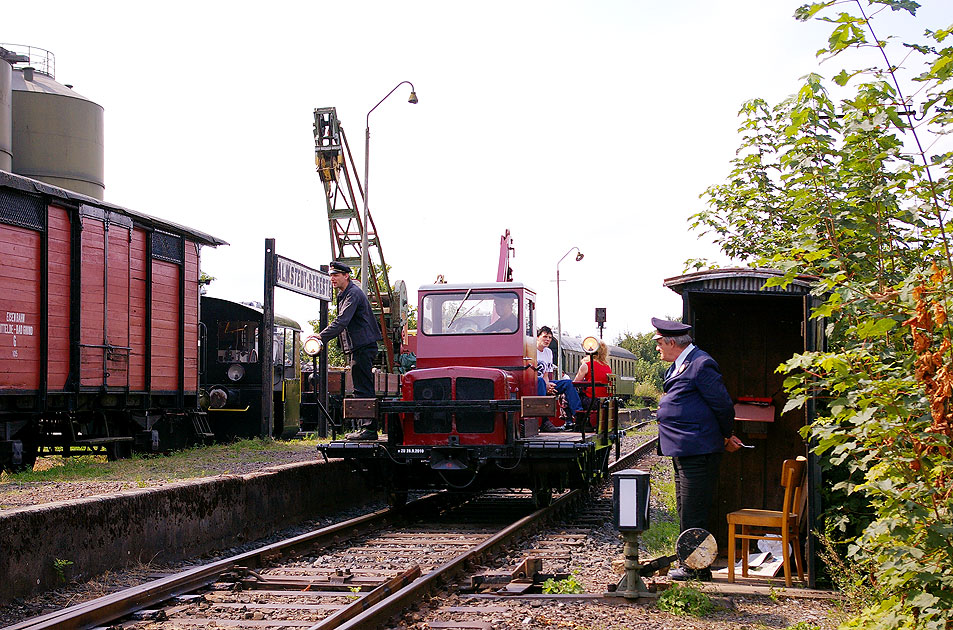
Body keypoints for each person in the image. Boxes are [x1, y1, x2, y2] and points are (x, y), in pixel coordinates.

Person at [652, 317, 742, 581]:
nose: (657, 348)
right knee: (684, 507)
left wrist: (726, 436)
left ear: (671, 342)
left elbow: (723, 405)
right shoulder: (680, 365)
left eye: (658, 343)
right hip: (684, 449)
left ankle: (697, 568)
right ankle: (689, 562)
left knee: (694, 509)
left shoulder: (701, 364)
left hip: (698, 449)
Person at [316, 261, 383, 440]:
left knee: (363, 387)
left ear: (346, 276)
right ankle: (365, 429)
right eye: (331, 275)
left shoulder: (352, 294)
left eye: (336, 275)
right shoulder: (346, 294)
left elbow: (342, 321)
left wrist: (320, 337)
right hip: (359, 346)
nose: (332, 278)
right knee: (361, 387)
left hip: (363, 346)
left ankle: (368, 430)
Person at [535, 326, 584, 431]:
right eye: (545, 337)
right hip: (533, 383)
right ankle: (543, 420)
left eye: (550, 337)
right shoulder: (530, 350)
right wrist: (545, 384)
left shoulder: (548, 352)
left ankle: (579, 415)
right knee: (540, 382)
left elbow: (546, 374)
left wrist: (548, 385)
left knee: (568, 383)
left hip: (543, 382)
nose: (547, 339)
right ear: (537, 337)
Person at [573, 339, 612, 414]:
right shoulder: (607, 367)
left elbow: (575, 383)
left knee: (567, 394)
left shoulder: (586, 365)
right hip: (605, 401)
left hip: (592, 401)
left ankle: (570, 419)